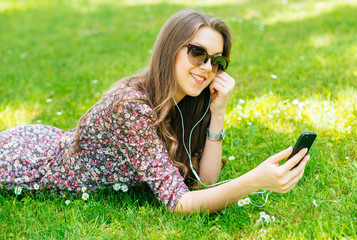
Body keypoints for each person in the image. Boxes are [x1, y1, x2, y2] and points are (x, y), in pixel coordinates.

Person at [0, 9, 310, 213]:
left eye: (216, 61)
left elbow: (204, 180)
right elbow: (179, 202)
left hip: (49, 138)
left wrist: (217, 112)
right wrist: (254, 181)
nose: (206, 67)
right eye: (197, 53)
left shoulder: (185, 99)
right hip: (25, 162)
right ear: (170, 48)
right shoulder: (131, 107)